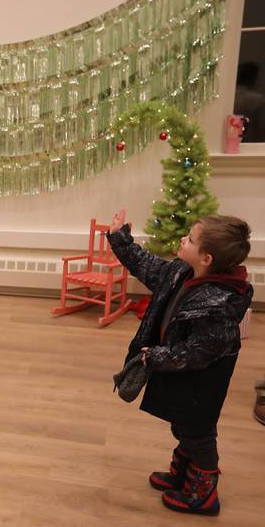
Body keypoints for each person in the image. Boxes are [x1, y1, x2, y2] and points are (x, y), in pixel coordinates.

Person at [107, 210, 253, 515]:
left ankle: (203, 494)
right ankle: (184, 475)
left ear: (207, 258)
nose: (183, 239)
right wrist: (121, 239)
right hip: (181, 376)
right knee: (182, 424)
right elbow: (146, 265)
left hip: (201, 385)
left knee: (198, 432)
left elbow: (196, 353)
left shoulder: (218, 305)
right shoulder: (182, 273)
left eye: (190, 239)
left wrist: (154, 356)